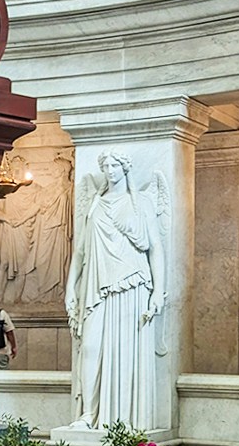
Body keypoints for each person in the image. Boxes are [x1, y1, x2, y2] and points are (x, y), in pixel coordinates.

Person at [65, 152, 165, 431]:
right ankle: (87, 414)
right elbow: (81, 250)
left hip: (132, 283)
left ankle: (123, 417)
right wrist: (70, 288)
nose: (109, 170)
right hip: (97, 285)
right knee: (90, 347)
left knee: (125, 351)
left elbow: (155, 248)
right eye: (105, 166)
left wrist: (159, 291)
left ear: (125, 167)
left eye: (114, 165)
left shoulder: (141, 202)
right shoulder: (96, 202)